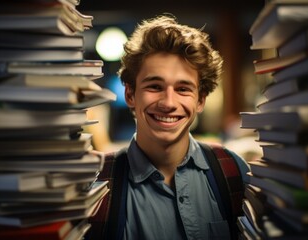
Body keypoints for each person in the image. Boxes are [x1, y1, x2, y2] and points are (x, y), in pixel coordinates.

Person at [87, 14, 249, 240]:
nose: (168, 103)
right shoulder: (96, 183)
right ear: (130, 94)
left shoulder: (233, 171)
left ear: (200, 100)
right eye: (154, 86)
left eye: (183, 89)